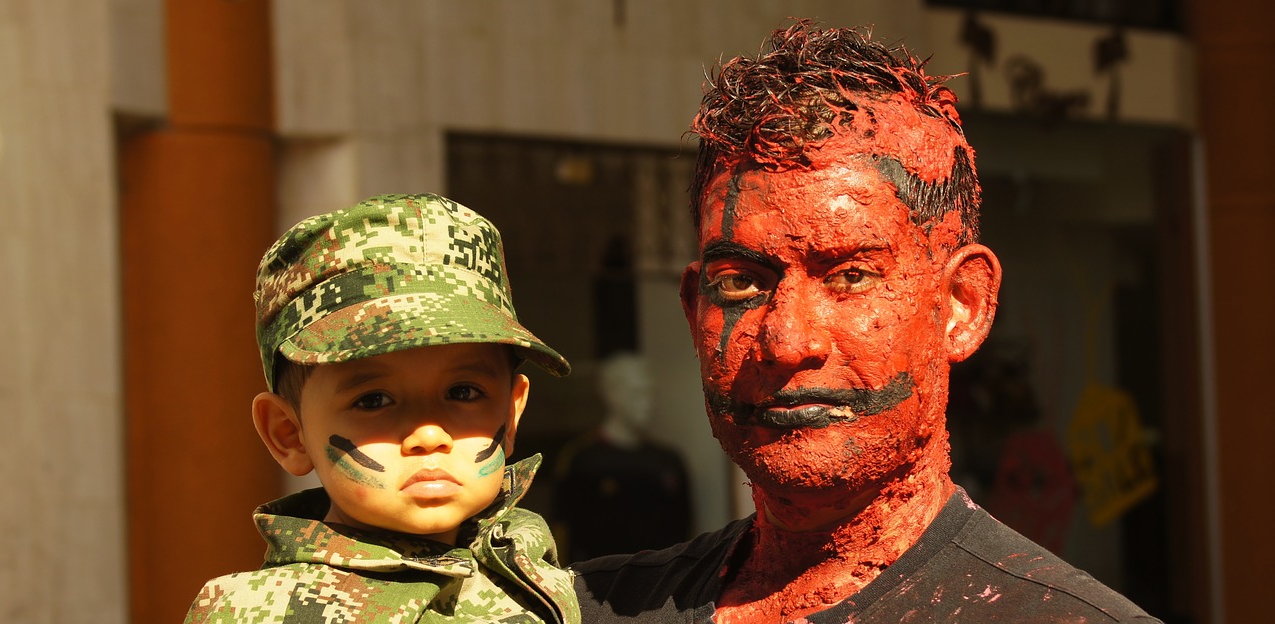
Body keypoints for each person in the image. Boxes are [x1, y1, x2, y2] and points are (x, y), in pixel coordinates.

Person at [571, 21, 1161, 623]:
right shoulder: (578, 609)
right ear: (694, 310)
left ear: (961, 305)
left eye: (851, 275)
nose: (788, 341)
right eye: (741, 282)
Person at [184, 194, 580, 623]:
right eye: (373, 400)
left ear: (510, 413)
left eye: (463, 392)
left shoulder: (537, 565)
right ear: (288, 433)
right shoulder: (256, 612)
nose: (429, 435)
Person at [553, 352, 691, 560]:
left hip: (661, 581)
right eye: (636, 393)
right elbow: (564, 528)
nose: (647, 403)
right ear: (611, 394)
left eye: (650, 393)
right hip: (599, 583)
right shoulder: (583, 459)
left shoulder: (668, 461)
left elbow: (683, 531)